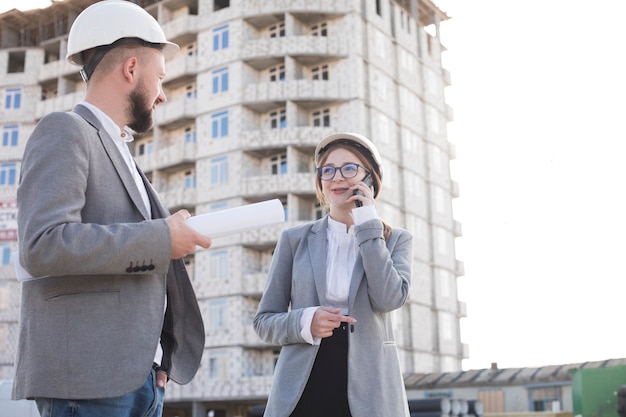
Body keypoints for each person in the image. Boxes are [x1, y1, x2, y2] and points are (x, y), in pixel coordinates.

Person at [11, 1, 212, 416]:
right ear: (131, 69)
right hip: (87, 381)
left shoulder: (122, 153)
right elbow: (43, 244)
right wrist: (162, 238)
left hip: (137, 377)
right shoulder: (64, 130)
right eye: (159, 78)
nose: (162, 94)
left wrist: (158, 359)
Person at [254, 132, 413, 417]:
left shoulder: (396, 240)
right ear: (320, 181)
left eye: (349, 168)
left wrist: (367, 223)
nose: (337, 177)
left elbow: (388, 299)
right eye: (328, 170)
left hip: (371, 389)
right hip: (303, 385)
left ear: (370, 179)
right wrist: (305, 321)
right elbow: (264, 321)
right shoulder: (294, 240)